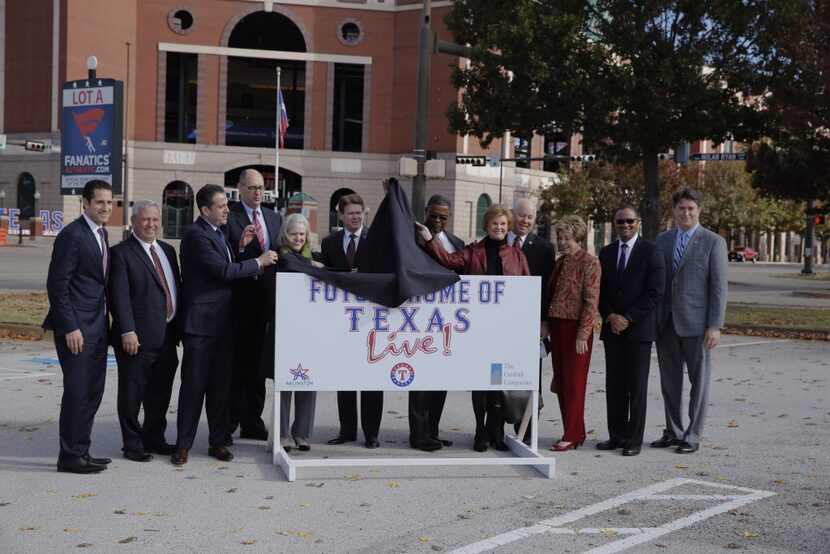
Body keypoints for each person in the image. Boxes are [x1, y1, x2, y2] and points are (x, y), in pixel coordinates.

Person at [172, 184, 279, 465]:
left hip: (224, 326)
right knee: (194, 386)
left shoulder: (219, 233)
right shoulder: (196, 236)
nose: (227, 211)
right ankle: (183, 444)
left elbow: (228, 261)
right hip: (201, 326)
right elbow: (222, 271)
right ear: (205, 210)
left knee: (221, 387)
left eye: (226, 205)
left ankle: (217, 441)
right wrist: (259, 261)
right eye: (221, 206)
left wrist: (240, 248)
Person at [418, 204, 530, 452]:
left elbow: (526, 295)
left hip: (505, 331)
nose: (498, 228)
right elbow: (447, 260)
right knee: (481, 383)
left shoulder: (517, 256)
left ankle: (496, 432)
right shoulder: (472, 252)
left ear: (507, 227)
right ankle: (480, 431)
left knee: (498, 383)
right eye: (494, 224)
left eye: (502, 224)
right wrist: (428, 237)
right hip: (478, 330)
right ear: (486, 226)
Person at [43, 179, 113, 474]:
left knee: (93, 392)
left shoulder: (101, 234)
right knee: (76, 392)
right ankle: (69, 456)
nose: (106, 208)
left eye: (110, 203)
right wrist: (70, 327)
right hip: (77, 330)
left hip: (97, 328)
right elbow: (57, 286)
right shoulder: (72, 235)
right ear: (85, 203)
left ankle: (82, 451)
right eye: (100, 202)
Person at [652, 188, 727, 454]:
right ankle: (673, 431)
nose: (686, 213)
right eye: (681, 208)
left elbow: (719, 287)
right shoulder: (662, 240)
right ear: (674, 210)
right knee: (669, 383)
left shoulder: (713, 242)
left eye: (691, 209)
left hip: (698, 325)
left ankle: (693, 435)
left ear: (699, 211)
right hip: (667, 324)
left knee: (699, 383)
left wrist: (715, 326)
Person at [108, 200, 181, 462]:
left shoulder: (168, 251)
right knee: (132, 394)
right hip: (136, 338)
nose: (151, 224)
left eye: (155, 220)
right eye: (145, 220)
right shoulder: (121, 253)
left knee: (160, 394)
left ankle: (154, 438)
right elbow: (119, 296)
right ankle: (132, 444)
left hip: (167, 336)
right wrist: (127, 330)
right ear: (134, 222)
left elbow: (172, 288)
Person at [596, 205, 665, 456]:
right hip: (612, 329)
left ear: (638, 223)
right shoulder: (606, 252)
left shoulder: (652, 251)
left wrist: (628, 317)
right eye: (620, 222)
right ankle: (616, 436)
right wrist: (610, 315)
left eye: (629, 221)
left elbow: (656, 292)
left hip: (639, 331)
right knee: (614, 386)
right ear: (614, 224)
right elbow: (599, 290)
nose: (625, 226)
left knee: (636, 388)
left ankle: (633, 440)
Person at [320, 193, 383, 449]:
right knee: (344, 376)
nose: (356, 217)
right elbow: (324, 276)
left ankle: (371, 434)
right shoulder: (329, 243)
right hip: (341, 320)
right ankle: (347, 430)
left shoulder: (376, 241)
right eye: (351, 213)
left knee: (371, 378)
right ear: (341, 216)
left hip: (370, 319)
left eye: (359, 212)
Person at [225, 169, 283, 443]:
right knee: (237, 366)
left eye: (261, 188)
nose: (258, 193)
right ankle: (230, 420)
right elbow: (223, 256)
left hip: (267, 304)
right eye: (253, 188)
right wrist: (239, 247)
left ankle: (253, 422)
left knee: (259, 367)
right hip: (238, 302)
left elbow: (284, 253)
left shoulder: (273, 217)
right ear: (240, 188)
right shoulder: (229, 216)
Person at [408, 194, 464, 452]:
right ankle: (418, 436)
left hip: (446, 321)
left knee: (441, 379)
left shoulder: (457, 243)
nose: (438, 221)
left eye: (443, 217)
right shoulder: (412, 239)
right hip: (418, 319)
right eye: (433, 215)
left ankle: (433, 432)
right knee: (420, 381)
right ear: (426, 211)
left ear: (449, 217)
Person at [546, 215, 601, 452]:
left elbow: (591, 302)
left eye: (567, 238)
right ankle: (575, 431)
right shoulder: (560, 262)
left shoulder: (590, 263)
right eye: (560, 237)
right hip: (556, 327)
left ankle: (571, 433)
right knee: (561, 381)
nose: (562, 242)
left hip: (575, 330)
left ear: (577, 238)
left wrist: (583, 334)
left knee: (574, 384)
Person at [507, 198, 556, 442]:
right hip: (501, 326)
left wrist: (545, 321)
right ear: (511, 215)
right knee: (499, 377)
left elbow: (548, 288)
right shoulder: (496, 243)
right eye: (521, 215)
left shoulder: (544, 248)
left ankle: (527, 433)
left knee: (529, 378)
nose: (525, 220)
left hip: (531, 326)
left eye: (530, 217)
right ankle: (493, 430)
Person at [274, 213, 322, 452]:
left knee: (308, 381)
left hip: (310, 328)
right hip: (285, 328)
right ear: (286, 234)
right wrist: (313, 266)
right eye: (294, 234)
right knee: (285, 381)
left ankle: (302, 433)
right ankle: (282, 434)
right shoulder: (279, 255)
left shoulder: (311, 255)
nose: (298, 238)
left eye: (302, 234)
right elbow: (288, 266)